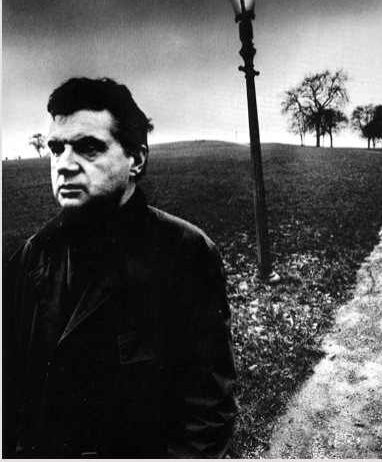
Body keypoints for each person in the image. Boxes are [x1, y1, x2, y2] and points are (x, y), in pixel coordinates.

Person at [3, 77, 237, 458]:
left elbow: (208, 413)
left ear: (136, 159)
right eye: (56, 148)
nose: (64, 165)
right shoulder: (32, 256)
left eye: (88, 148)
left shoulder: (186, 254)